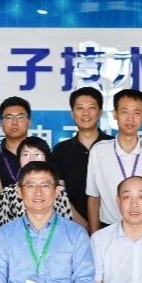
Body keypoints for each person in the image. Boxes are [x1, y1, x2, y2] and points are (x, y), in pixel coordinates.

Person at [86, 89, 142, 232]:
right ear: (115, 114)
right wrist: (94, 235)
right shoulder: (98, 151)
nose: (130, 118)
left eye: (136, 113)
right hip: (111, 229)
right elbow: (93, 198)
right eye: (125, 112)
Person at [0, 136, 83, 228]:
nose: (31, 158)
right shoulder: (7, 193)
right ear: (19, 160)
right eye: (25, 154)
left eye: (37, 154)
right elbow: (2, 229)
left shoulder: (57, 190)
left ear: (46, 158)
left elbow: (65, 225)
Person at [52, 87, 113, 225]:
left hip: (112, 224)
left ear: (100, 112)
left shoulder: (113, 146)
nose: (86, 113)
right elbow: (59, 192)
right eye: (80, 108)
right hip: (73, 225)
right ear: (72, 113)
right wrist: (80, 222)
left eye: (91, 107)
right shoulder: (60, 151)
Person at [0, 96, 32, 187]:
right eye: (9, 117)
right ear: (1, 124)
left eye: (20, 117)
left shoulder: (41, 155)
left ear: (29, 122)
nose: (14, 122)